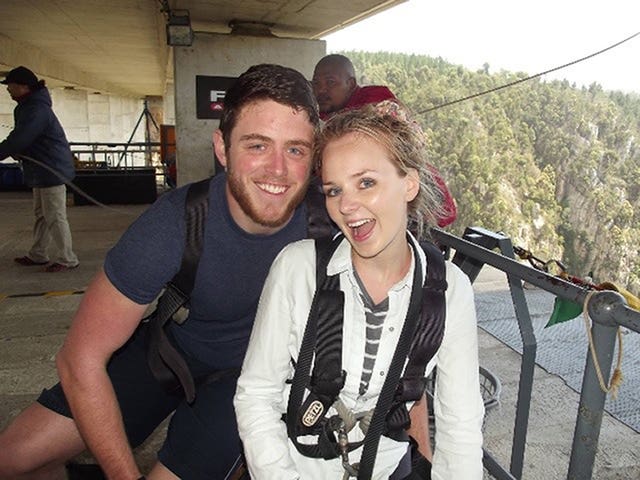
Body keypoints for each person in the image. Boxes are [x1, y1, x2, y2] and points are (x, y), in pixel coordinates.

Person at [0, 63, 321, 480]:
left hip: (250, 382)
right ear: (222, 149)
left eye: (295, 149)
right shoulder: (178, 222)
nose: (277, 169)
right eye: (257, 145)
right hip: (167, 355)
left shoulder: (329, 222)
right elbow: (80, 358)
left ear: (314, 158)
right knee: (13, 460)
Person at [234, 107, 484, 479]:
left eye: (366, 182)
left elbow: (460, 424)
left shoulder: (447, 290)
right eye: (334, 190)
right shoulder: (299, 270)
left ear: (409, 184)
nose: (346, 206)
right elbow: (256, 395)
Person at [312, 54, 457, 228]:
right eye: (316, 84)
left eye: (330, 82)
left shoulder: (375, 102)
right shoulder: (330, 117)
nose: (321, 90)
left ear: (350, 84)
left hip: (414, 214)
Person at [0, 66, 79, 272]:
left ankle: (67, 258)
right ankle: (38, 254)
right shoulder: (28, 106)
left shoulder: (36, 109)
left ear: (24, 86)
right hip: (40, 169)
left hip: (51, 169)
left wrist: (7, 150)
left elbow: (20, 138)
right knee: (42, 214)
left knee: (54, 215)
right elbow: (23, 140)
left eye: (11, 86)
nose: (8, 90)